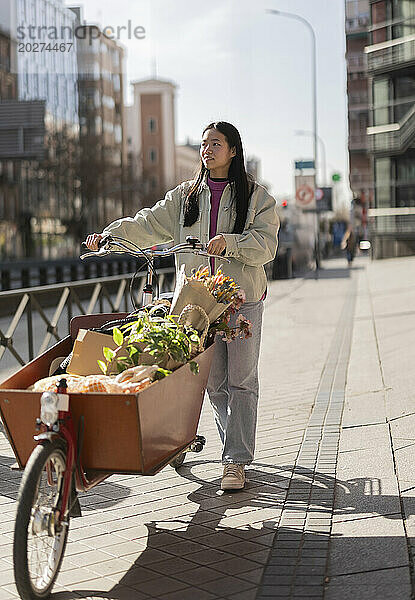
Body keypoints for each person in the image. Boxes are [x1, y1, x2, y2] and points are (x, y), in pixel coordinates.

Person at [85, 121, 279, 490]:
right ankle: (231, 450)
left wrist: (232, 243)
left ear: (233, 151)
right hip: (197, 303)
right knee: (214, 384)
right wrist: (109, 235)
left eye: (216, 144)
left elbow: (265, 245)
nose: (207, 149)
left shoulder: (256, 197)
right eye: (204, 143)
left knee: (242, 381)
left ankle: (235, 461)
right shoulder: (185, 196)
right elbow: (147, 223)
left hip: (241, 299)